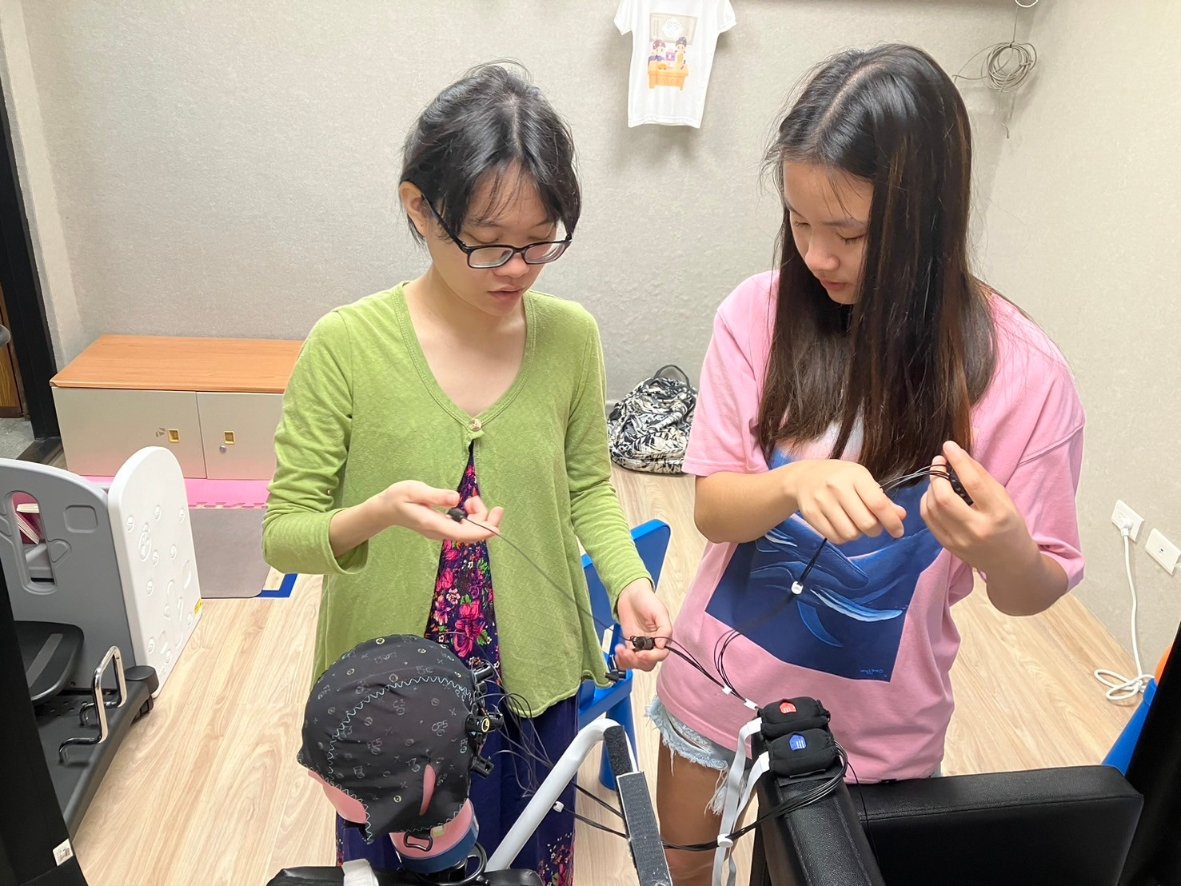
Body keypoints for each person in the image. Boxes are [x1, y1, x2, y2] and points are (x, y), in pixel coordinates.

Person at [650, 44, 1085, 884]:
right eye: (799, 223)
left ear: (925, 218)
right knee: (678, 872)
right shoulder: (758, 313)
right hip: (714, 691)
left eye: (847, 232)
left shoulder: (1023, 378)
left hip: (873, 739)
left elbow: (1032, 593)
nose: (815, 256)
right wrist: (790, 483)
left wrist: (1003, 551)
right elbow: (712, 511)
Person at [263, 62, 671, 884]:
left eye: (540, 240)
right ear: (419, 206)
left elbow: (588, 487)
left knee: (523, 859)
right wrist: (375, 513)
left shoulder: (570, 336)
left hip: (533, 682)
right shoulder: (346, 344)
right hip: (392, 718)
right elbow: (284, 535)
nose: (515, 268)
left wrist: (628, 582)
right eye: (486, 243)